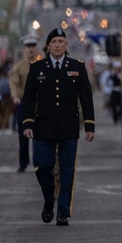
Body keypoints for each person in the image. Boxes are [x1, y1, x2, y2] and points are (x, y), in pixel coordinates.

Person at [21, 28, 95, 227]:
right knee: (42, 166)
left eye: (61, 41)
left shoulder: (76, 67)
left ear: (66, 44)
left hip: (68, 125)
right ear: (48, 45)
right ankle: (48, 200)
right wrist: (28, 123)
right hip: (43, 126)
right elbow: (28, 99)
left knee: (67, 170)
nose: (57, 45)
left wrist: (89, 125)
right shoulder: (37, 67)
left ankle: (63, 211)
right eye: (53, 41)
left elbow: (86, 98)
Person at [9, 34, 41, 173]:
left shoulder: (43, 65)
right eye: (28, 46)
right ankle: (23, 163)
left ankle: (38, 162)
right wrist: (15, 96)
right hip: (24, 103)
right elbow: (14, 83)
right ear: (24, 49)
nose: (31, 49)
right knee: (23, 135)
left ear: (37, 47)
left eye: (33, 46)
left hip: (39, 103)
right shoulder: (18, 67)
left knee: (39, 135)